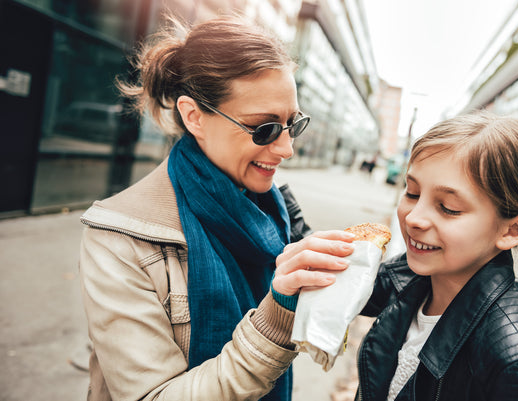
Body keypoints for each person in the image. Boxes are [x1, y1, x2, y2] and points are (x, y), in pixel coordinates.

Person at [79, 15, 355, 401]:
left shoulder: (273, 206)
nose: (286, 148)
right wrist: (274, 322)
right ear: (194, 116)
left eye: (293, 124)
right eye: (265, 129)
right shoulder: (120, 240)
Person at [275, 110, 518, 400]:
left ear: (513, 230)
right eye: (412, 193)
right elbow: (328, 267)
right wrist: (270, 191)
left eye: (448, 208)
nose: (414, 218)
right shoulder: (407, 278)